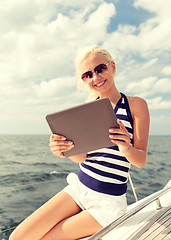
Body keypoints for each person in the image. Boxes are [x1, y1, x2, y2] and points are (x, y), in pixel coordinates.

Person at [9, 45, 150, 240]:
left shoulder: (136, 106)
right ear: (84, 80)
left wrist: (126, 147)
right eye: (87, 75)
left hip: (107, 202)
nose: (96, 77)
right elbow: (81, 157)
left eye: (100, 69)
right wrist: (65, 149)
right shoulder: (88, 109)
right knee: (18, 237)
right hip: (79, 188)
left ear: (112, 67)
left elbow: (141, 160)